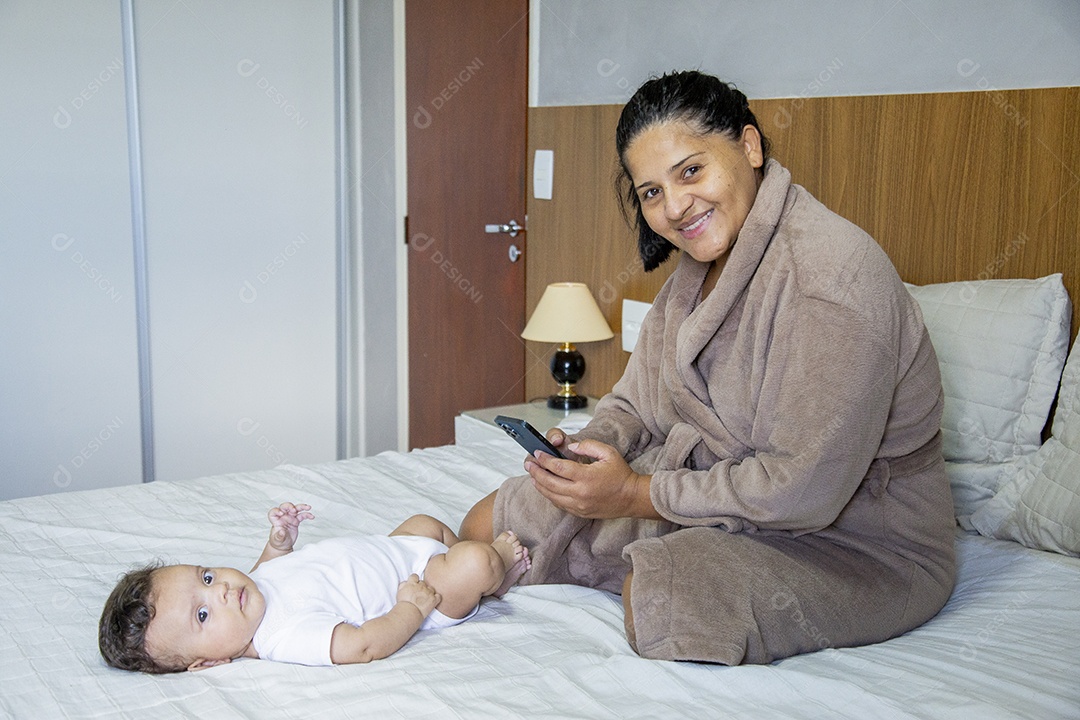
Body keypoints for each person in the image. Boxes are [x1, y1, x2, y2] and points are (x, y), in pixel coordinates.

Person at [461, 70, 956, 665]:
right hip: (709, 493)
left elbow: (801, 491)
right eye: (651, 193)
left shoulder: (833, 282)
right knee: (485, 519)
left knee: (667, 598)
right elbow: (634, 401)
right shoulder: (697, 271)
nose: (673, 208)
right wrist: (586, 457)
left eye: (690, 171)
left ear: (749, 146)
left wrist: (635, 495)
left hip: (854, 538)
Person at [99, 503, 530, 672]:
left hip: (395, 550)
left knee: (425, 524)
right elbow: (362, 645)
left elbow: (268, 572)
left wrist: (277, 543)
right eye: (203, 614)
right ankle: (494, 575)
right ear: (209, 662)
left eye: (207, 577)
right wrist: (411, 610)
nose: (223, 592)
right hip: (421, 589)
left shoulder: (251, 594)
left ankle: (482, 582)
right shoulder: (283, 636)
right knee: (476, 562)